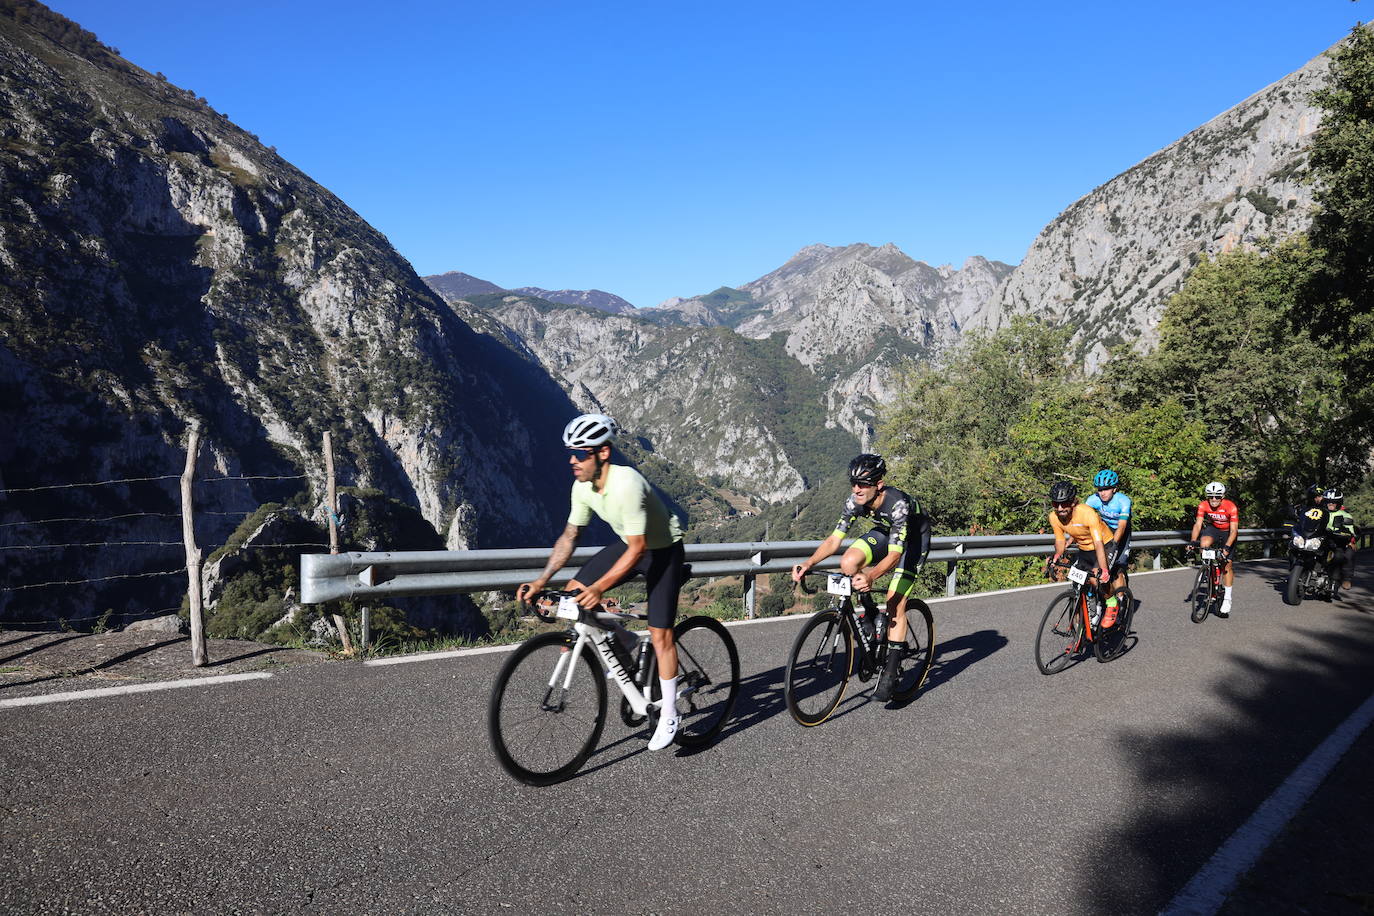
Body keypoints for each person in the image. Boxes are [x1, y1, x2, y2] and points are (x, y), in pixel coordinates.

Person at [517, 414, 687, 751]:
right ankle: (628, 643)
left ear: (603, 453)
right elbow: (570, 536)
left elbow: (640, 550)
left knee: (661, 635)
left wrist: (598, 589)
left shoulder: (628, 484)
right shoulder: (581, 486)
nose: (572, 461)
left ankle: (670, 711)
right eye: (571, 453)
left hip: (662, 550)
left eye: (580, 454)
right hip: (629, 544)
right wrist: (541, 580)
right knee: (572, 599)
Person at [790, 453, 931, 702]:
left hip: (913, 541)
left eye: (863, 484)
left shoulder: (897, 504)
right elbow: (835, 540)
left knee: (894, 601)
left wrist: (871, 576)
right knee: (848, 562)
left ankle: (890, 672)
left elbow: (895, 556)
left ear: (878, 485)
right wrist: (808, 562)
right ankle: (871, 614)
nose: (857, 489)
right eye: (853, 483)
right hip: (886, 533)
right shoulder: (855, 500)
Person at [1046, 481, 1114, 623]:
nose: (1059, 508)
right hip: (1084, 549)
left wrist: (1103, 570)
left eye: (1064, 503)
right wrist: (1057, 556)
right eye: (1055, 504)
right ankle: (1081, 629)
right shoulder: (1053, 517)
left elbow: (1098, 543)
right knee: (1077, 582)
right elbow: (1060, 541)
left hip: (1104, 545)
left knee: (1096, 579)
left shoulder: (1087, 513)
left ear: (1072, 502)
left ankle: (1111, 601)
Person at [1085, 469, 1132, 629]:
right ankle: (1098, 602)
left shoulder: (1123, 501)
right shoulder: (1093, 500)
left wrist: (1114, 545)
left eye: (1106, 489)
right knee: (1095, 567)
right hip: (1104, 532)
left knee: (1116, 568)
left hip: (1121, 533)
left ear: (1114, 488)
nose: (1103, 493)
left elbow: (1122, 526)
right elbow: (1084, 520)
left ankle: (1119, 600)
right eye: (1100, 489)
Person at [1188, 481, 1239, 617]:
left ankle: (1227, 598)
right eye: (1211, 496)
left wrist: (1227, 547)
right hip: (1214, 529)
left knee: (1227, 565)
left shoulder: (1230, 507)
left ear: (1222, 497)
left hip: (1228, 532)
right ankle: (1207, 567)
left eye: (1217, 496)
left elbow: (1234, 531)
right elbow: (1198, 525)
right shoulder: (1203, 505)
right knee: (1204, 543)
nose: (1214, 499)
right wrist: (1193, 541)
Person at [1321, 488, 1356, 592]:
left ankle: (1346, 579)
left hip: (1336, 542)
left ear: (1338, 503)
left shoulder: (1345, 515)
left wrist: (1346, 536)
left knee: (1346, 554)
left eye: (1334, 502)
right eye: (1328, 501)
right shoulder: (1320, 512)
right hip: (1319, 540)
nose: (1331, 503)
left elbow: (1350, 532)